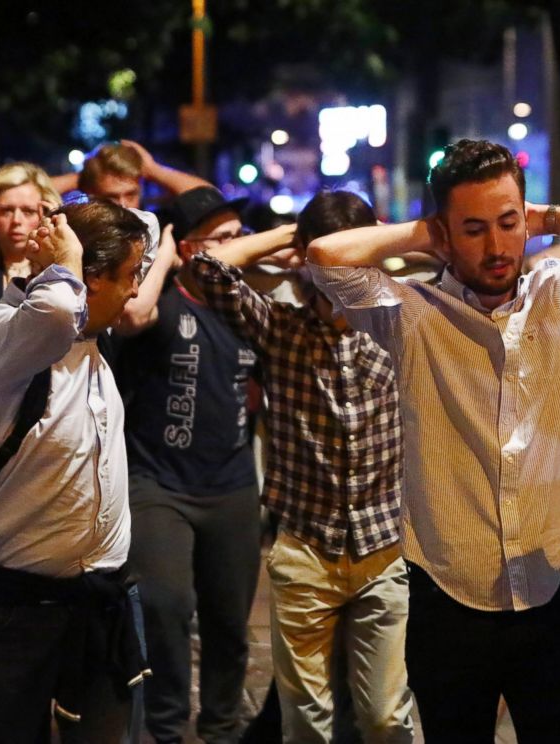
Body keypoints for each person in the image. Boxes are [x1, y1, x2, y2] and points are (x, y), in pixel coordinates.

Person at [306, 139, 560, 743]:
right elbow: (325, 256)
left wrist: (549, 218)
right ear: (445, 234)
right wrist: (419, 234)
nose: (498, 245)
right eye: (473, 229)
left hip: (550, 581)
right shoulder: (409, 310)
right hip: (448, 586)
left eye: (509, 223)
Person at [190, 191, 414, 743]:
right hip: (306, 549)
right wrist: (295, 239)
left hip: (385, 547)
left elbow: (459, 264)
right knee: (306, 724)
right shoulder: (279, 326)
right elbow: (204, 266)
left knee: (386, 718)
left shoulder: (404, 321)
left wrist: (381, 241)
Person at [0, 200, 150, 743]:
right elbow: (52, 314)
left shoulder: (94, 349)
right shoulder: (0, 336)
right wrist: (62, 261)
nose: (135, 291)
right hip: (13, 615)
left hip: (102, 603)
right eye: (128, 276)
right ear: (89, 280)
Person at [115, 185, 260, 744]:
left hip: (231, 485)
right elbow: (132, 317)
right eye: (221, 239)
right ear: (189, 249)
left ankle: (223, 727)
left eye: (238, 237)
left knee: (229, 622)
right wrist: (169, 244)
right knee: (165, 604)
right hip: (160, 483)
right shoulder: (162, 302)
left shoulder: (248, 305)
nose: (235, 249)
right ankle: (168, 725)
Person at [0, 162, 63, 303]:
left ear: (46, 214)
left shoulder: (58, 267)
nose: (16, 220)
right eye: (6, 211)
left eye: (28, 211)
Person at [52, 140, 210, 210]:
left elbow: (209, 197)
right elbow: (29, 195)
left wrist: (154, 170)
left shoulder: (156, 231)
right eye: (111, 197)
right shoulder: (76, 238)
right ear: (91, 194)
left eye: (131, 195)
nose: (123, 205)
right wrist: (81, 178)